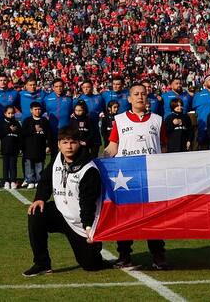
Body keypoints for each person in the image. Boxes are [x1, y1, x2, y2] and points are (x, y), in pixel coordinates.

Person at [24, 125, 109, 276]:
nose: (68, 146)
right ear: (58, 144)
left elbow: (88, 202)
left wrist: (88, 226)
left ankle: (95, 252)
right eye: (64, 142)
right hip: (61, 212)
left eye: (72, 142)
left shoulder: (89, 169)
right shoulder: (58, 158)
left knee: (91, 265)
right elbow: (46, 179)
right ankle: (42, 263)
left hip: (80, 221)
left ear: (79, 143)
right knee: (36, 212)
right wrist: (40, 198)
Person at [104, 83, 168, 269]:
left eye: (143, 94)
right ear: (129, 98)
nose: (140, 97)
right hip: (127, 178)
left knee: (154, 217)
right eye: (136, 94)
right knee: (125, 217)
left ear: (147, 97)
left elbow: (163, 147)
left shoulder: (157, 120)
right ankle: (124, 255)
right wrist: (99, 160)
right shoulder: (120, 120)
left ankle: (158, 255)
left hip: (152, 177)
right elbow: (113, 147)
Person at [21, 102, 49, 188]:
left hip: (40, 148)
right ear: (31, 110)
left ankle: (38, 180)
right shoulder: (27, 121)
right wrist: (33, 129)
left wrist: (48, 146)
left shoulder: (44, 121)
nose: (37, 111)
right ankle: (30, 181)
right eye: (35, 109)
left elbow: (48, 134)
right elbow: (23, 134)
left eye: (39, 109)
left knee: (39, 166)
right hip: (29, 148)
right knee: (29, 166)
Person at [0, 105, 21, 190]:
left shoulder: (16, 123)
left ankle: (13, 180)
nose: (11, 115)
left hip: (14, 148)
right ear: (5, 113)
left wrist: (20, 147)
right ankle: (6, 181)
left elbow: (20, 135)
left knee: (13, 165)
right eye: (9, 113)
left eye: (12, 113)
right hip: (5, 148)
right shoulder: (2, 123)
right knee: (6, 166)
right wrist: (9, 129)